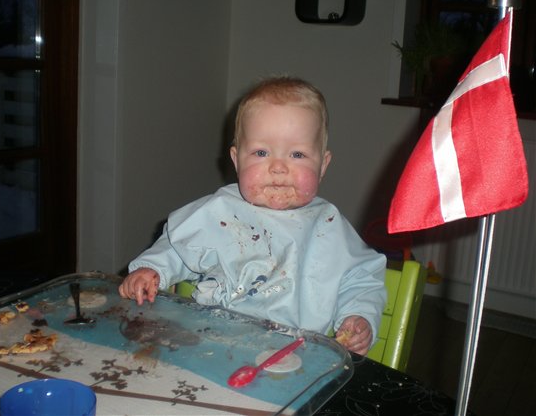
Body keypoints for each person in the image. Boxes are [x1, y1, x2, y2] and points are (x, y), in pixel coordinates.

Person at [119, 76, 386, 355]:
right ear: (237, 160)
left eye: (297, 154)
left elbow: (361, 280)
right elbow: (178, 247)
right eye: (261, 152)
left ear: (323, 165)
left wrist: (359, 316)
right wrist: (152, 270)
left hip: (297, 354)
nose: (279, 167)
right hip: (212, 342)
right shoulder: (220, 211)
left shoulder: (329, 226)